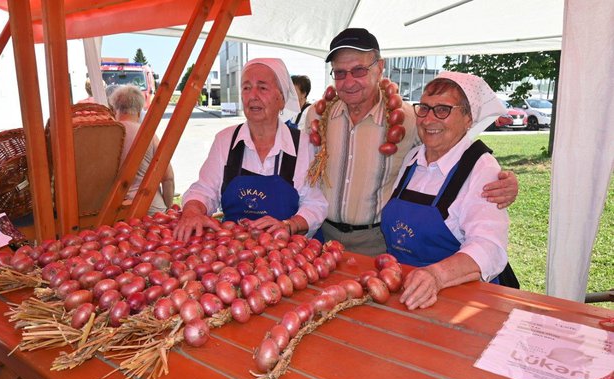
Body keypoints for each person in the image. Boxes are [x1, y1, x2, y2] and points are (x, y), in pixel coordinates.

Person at [308, 28, 518, 256]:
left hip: (379, 244)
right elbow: (304, 175)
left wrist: (504, 181)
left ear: (379, 68)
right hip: (323, 238)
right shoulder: (317, 117)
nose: (349, 82)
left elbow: (456, 151)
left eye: (359, 70)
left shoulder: (412, 119)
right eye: (340, 73)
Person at [381, 72, 511, 310]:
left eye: (442, 109)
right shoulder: (412, 159)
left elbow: (490, 247)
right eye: (424, 108)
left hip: (455, 301)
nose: (429, 119)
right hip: (404, 292)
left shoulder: (481, 168)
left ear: (468, 117)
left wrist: (437, 276)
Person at [174, 58, 328, 242]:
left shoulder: (303, 145)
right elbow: (205, 190)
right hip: (235, 252)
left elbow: (315, 203)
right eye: (246, 88)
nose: (252, 95)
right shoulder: (225, 140)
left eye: (262, 88)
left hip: (287, 254)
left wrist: (289, 225)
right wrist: (192, 211)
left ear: (282, 99)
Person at [108, 85, 175, 215]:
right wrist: (168, 209)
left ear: (115, 109)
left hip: (112, 211)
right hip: (149, 207)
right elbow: (168, 178)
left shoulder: (107, 133)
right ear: (139, 110)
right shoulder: (148, 135)